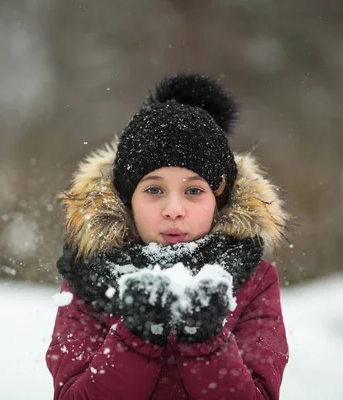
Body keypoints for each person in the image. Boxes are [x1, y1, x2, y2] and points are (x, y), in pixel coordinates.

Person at [46, 72, 290, 400]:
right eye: (154, 189)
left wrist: (206, 340)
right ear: (127, 200)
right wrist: (136, 335)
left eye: (193, 190)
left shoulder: (255, 281)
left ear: (218, 200)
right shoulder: (89, 274)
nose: (173, 209)